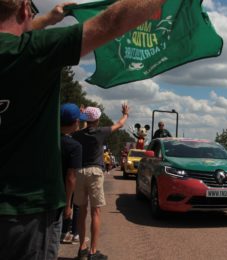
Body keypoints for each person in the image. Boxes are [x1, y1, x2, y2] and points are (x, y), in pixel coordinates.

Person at [0, 0, 165, 259]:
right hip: (26, 210)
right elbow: (110, 22)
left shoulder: (77, 136)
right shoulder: (34, 51)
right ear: (24, 9)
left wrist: (45, 20)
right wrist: (125, 116)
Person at [73, 104, 129, 259]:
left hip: (79, 172)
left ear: (85, 120)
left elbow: (83, 128)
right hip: (95, 172)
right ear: (97, 119)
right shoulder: (101, 132)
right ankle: (93, 252)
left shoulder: (77, 134)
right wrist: (125, 113)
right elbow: (120, 124)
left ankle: (82, 247)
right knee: (96, 212)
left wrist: (82, 116)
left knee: (81, 212)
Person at [60, 103, 86, 244]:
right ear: (76, 122)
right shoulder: (75, 146)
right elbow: (71, 178)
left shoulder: (48, 138)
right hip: (62, 194)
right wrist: (68, 204)